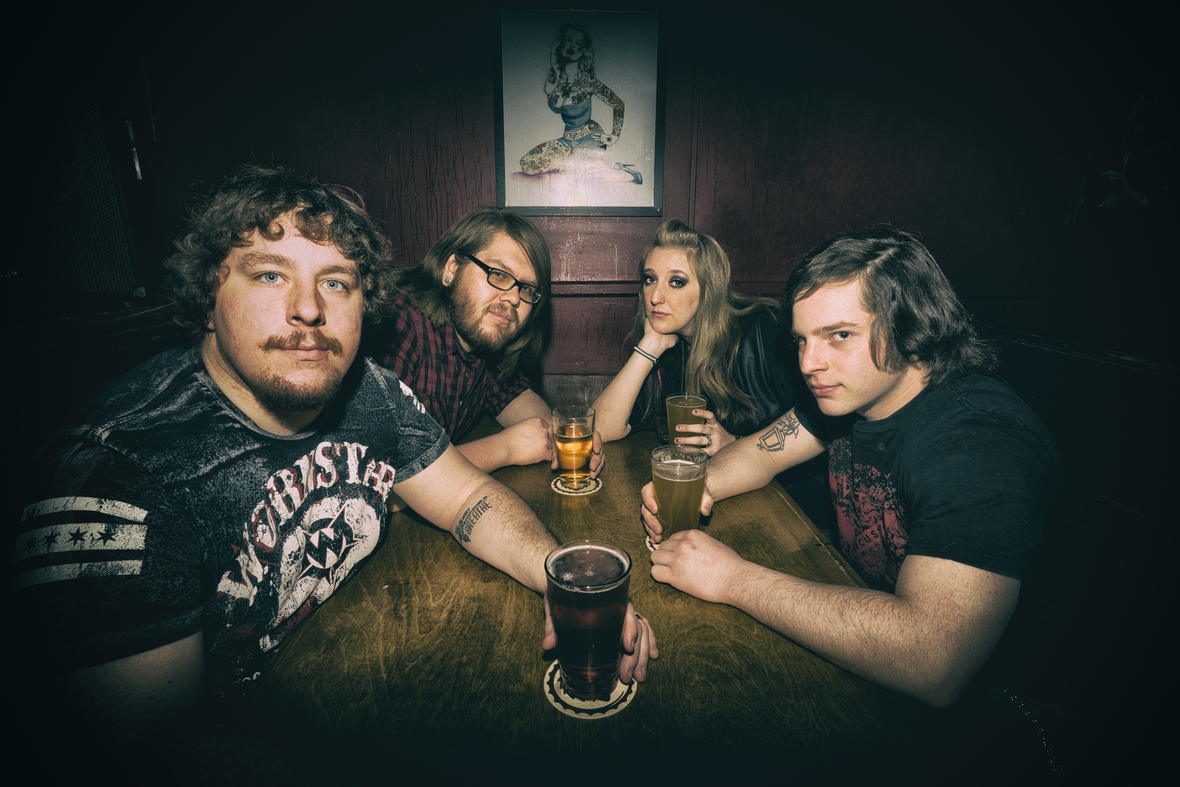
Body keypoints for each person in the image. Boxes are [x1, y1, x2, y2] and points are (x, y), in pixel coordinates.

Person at [12, 167, 655, 746]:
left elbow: (467, 496)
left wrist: (564, 581)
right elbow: (154, 758)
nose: (308, 309)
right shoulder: (115, 476)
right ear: (209, 294)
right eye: (270, 274)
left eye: (336, 282)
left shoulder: (372, 392)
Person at [642, 227, 1062, 708]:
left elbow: (932, 660)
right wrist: (697, 483)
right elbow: (761, 452)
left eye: (839, 335)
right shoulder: (851, 397)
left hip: (1005, 715)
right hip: (865, 647)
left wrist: (731, 578)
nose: (808, 363)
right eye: (801, 340)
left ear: (913, 326)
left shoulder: (980, 442)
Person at [368, 206, 603, 477]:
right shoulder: (394, 321)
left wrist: (563, 435)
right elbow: (375, 474)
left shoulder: (484, 341)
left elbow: (515, 397)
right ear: (452, 267)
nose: (514, 298)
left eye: (527, 289)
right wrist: (504, 449)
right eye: (499, 274)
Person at [593, 219, 798, 454]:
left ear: (709, 290)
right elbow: (599, 430)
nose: (655, 297)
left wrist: (736, 443)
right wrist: (649, 347)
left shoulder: (765, 328)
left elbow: (814, 428)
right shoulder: (666, 346)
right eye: (650, 279)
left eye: (676, 282)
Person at [518, 21, 641, 184]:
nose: (572, 46)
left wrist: (614, 135)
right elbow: (555, 107)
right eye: (568, 40)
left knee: (569, 173)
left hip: (591, 137)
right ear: (560, 44)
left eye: (578, 43)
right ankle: (584, 164)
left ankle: (627, 174)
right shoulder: (553, 80)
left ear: (583, 50)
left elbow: (618, 104)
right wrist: (557, 73)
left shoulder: (586, 80)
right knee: (528, 163)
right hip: (567, 139)